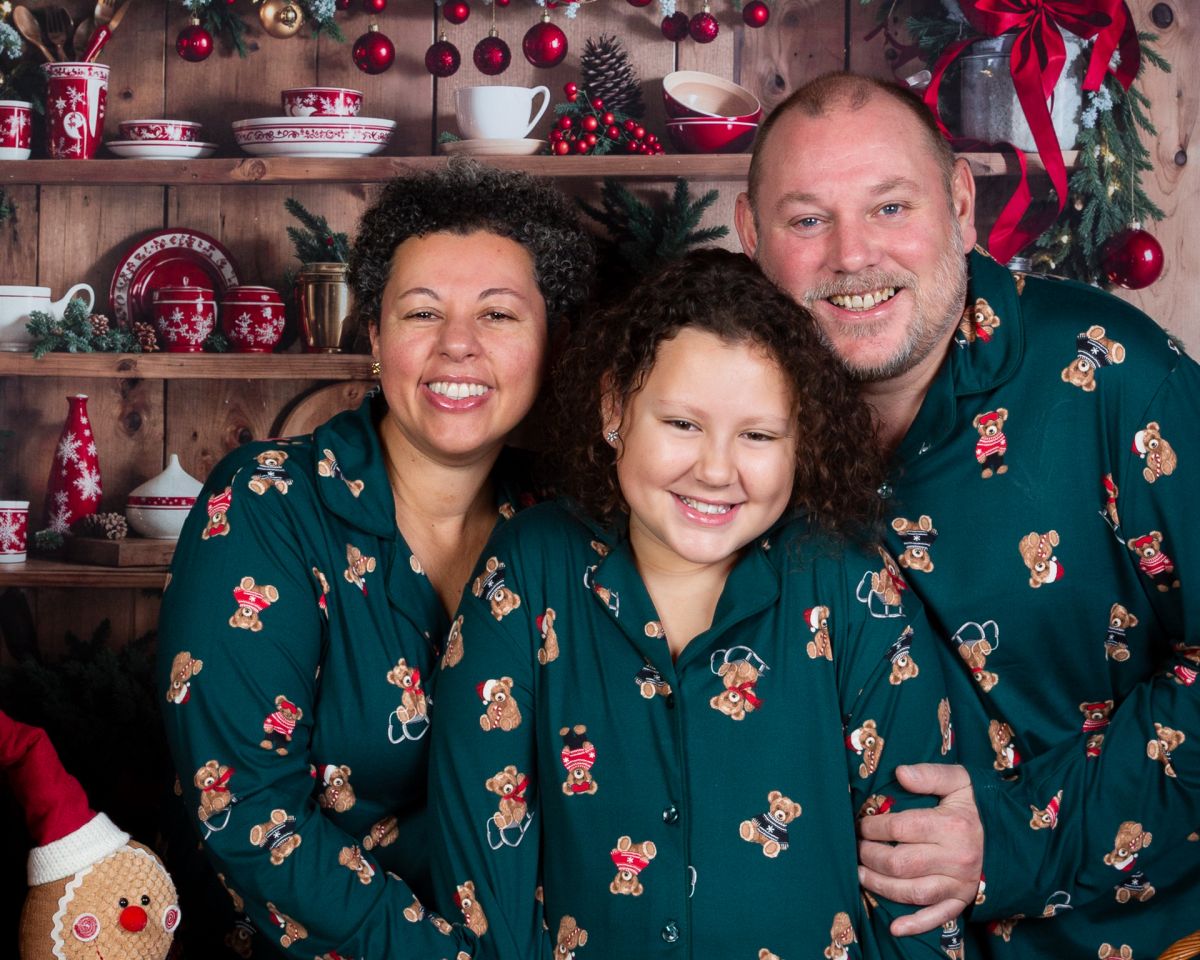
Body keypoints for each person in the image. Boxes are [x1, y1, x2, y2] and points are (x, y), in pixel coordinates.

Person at [735, 71, 1199, 957]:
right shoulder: (719, 424)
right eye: (805, 220)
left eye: (890, 207)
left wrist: (1013, 835)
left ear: (958, 203)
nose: (851, 255)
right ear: (753, 237)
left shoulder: (1115, 374)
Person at [426, 248, 964, 959]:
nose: (715, 470)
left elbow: (916, 888)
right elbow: (480, 868)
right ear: (616, 406)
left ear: (801, 439)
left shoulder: (852, 585)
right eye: (682, 424)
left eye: (759, 435)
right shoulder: (531, 567)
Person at [156, 161, 594, 958]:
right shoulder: (269, 505)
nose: (457, 346)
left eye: (498, 315)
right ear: (374, 337)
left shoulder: (573, 528)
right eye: (422, 312)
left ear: (551, 343)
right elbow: (245, 814)